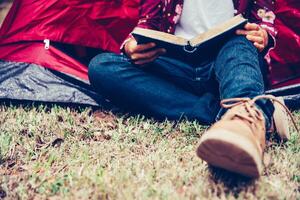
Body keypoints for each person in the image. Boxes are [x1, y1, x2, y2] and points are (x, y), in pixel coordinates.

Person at [88, 0, 292, 178]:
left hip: (228, 61)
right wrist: (132, 46)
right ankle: (237, 112)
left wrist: (263, 34)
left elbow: (264, 21)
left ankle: (243, 120)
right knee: (102, 67)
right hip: (176, 66)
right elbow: (147, 23)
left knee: (239, 43)